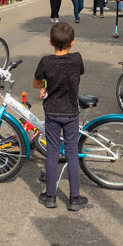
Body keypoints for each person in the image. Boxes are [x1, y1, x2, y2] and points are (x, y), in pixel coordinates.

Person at [33, 22, 87, 211]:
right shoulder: (77, 59)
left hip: (52, 112)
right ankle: (74, 198)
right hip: (71, 112)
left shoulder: (46, 61)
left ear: (50, 42)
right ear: (72, 42)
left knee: (52, 152)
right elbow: (77, 73)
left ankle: (50, 196)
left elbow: (36, 82)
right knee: (72, 152)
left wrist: (45, 86)